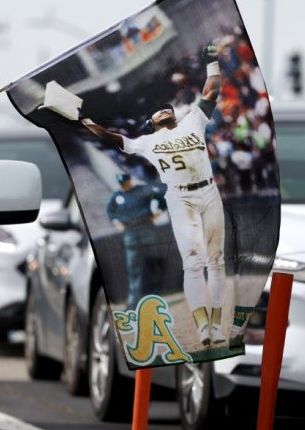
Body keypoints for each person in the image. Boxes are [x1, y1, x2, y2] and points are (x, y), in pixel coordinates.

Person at [81, 44, 228, 348]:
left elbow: (212, 89)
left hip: (208, 190)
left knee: (215, 260)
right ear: (151, 122)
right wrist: (85, 122)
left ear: (174, 114)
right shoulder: (147, 141)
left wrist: (212, 61)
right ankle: (202, 327)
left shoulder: (192, 121)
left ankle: (216, 323)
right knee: (192, 261)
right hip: (180, 198)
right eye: (157, 111)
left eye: (167, 108)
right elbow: (111, 138)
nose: (163, 109)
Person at [106, 172, 166, 309]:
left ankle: (155, 298)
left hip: (146, 227)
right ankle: (134, 302)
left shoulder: (141, 190)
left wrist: (158, 211)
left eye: (126, 182)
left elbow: (160, 196)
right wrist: (117, 223)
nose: (125, 185)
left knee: (152, 264)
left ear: (130, 180)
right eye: (122, 183)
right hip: (130, 232)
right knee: (133, 267)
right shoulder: (117, 196)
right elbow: (110, 212)